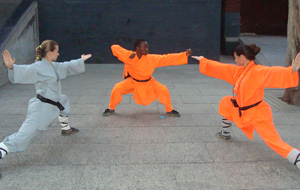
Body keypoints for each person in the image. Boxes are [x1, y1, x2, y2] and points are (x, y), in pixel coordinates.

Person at [192, 43, 300, 169]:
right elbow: (220, 68)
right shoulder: (239, 71)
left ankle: (296, 158)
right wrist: (204, 61)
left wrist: (291, 70)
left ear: (242, 57)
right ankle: (225, 132)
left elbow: (273, 72)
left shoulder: (259, 71)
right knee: (227, 102)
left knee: (272, 140)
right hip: (242, 109)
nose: (235, 60)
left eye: (236, 57)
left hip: (257, 112)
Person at [0, 40, 92, 159]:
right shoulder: (38, 67)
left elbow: (67, 65)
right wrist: (11, 67)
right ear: (49, 53)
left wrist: (81, 60)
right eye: (57, 51)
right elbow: (25, 70)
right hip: (41, 108)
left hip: (53, 101)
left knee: (63, 100)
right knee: (22, 138)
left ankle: (65, 128)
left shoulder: (53, 66)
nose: (58, 54)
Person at [102, 39, 192, 117]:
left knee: (163, 90)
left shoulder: (151, 59)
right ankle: (111, 108)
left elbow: (167, 58)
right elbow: (114, 47)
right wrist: (128, 54)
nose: (147, 49)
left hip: (149, 82)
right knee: (117, 88)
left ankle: (169, 109)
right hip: (133, 82)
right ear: (137, 49)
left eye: (147, 47)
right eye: (144, 47)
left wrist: (184, 54)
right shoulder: (129, 57)